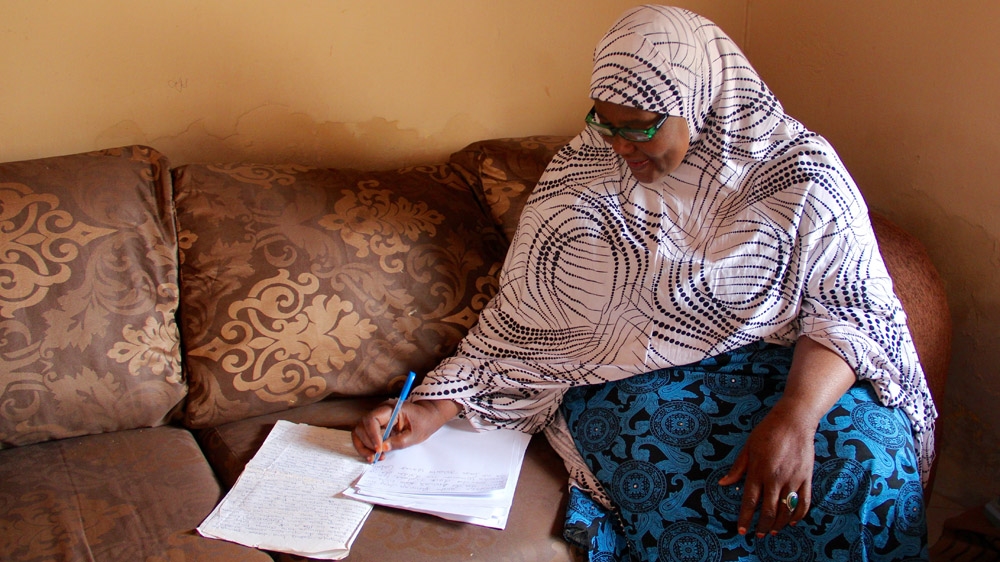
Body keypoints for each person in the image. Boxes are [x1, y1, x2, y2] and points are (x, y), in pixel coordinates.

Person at [354, 5, 936, 561]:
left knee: (873, 463)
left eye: (640, 129)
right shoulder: (580, 181)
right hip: (631, 383)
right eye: (604, 123)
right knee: (682, 475)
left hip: (787, 373)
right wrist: (429, 410)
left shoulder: (799, 173)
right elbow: (524, 326)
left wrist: (795, 418)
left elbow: (853, 311)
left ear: (700, 100)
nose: (619, 146)